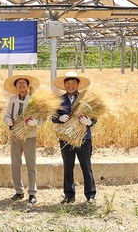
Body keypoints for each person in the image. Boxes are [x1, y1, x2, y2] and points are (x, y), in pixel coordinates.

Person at [52, 71, 97, 204]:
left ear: (78, 85)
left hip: (84, 138)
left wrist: (89, 122)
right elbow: (53, 117)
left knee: (86, 166)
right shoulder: (59, 100)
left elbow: (95, 117)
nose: (70, 85)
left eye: (73, 83)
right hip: (66, 138)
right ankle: (69, 195)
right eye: (68, 83)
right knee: (68, 166)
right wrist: (59, 118)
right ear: (64, 85)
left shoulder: (86, 98)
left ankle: (90, 195)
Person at [3, 74, 41, 204]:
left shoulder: (34, 101)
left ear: (28, 85)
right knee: (15, 164)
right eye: (18, 83)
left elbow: (42, 118)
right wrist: (8, 121)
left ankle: (32, 193)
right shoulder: (12, 100)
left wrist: (35, 122)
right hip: (15, 136)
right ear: (15, 86)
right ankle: (19, 191)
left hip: (30, 137)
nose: (21, 84)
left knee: (31, 165)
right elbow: (6, 116)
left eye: (24, 82)